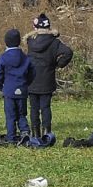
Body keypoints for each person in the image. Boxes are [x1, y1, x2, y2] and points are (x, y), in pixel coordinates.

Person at [23, 12, 73, 146]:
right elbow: (68, 52)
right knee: (45, 107)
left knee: (33, 108)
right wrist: (58, 64)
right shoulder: (54, 42)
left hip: (32, 79)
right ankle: (47, 132)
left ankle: (35, 133)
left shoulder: (30, 41)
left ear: (35, 27)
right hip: (47, 79)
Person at [0, 28, 32, 144]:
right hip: (22, 89)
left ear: (6, 42)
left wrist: (2, 86)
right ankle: (25, 132)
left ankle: (11, 137)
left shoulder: (4, 57)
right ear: (19, 41)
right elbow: (32, 72)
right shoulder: (25, 57)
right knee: (22, 113)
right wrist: (26, 83)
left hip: (9, 90)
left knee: (10, 115)